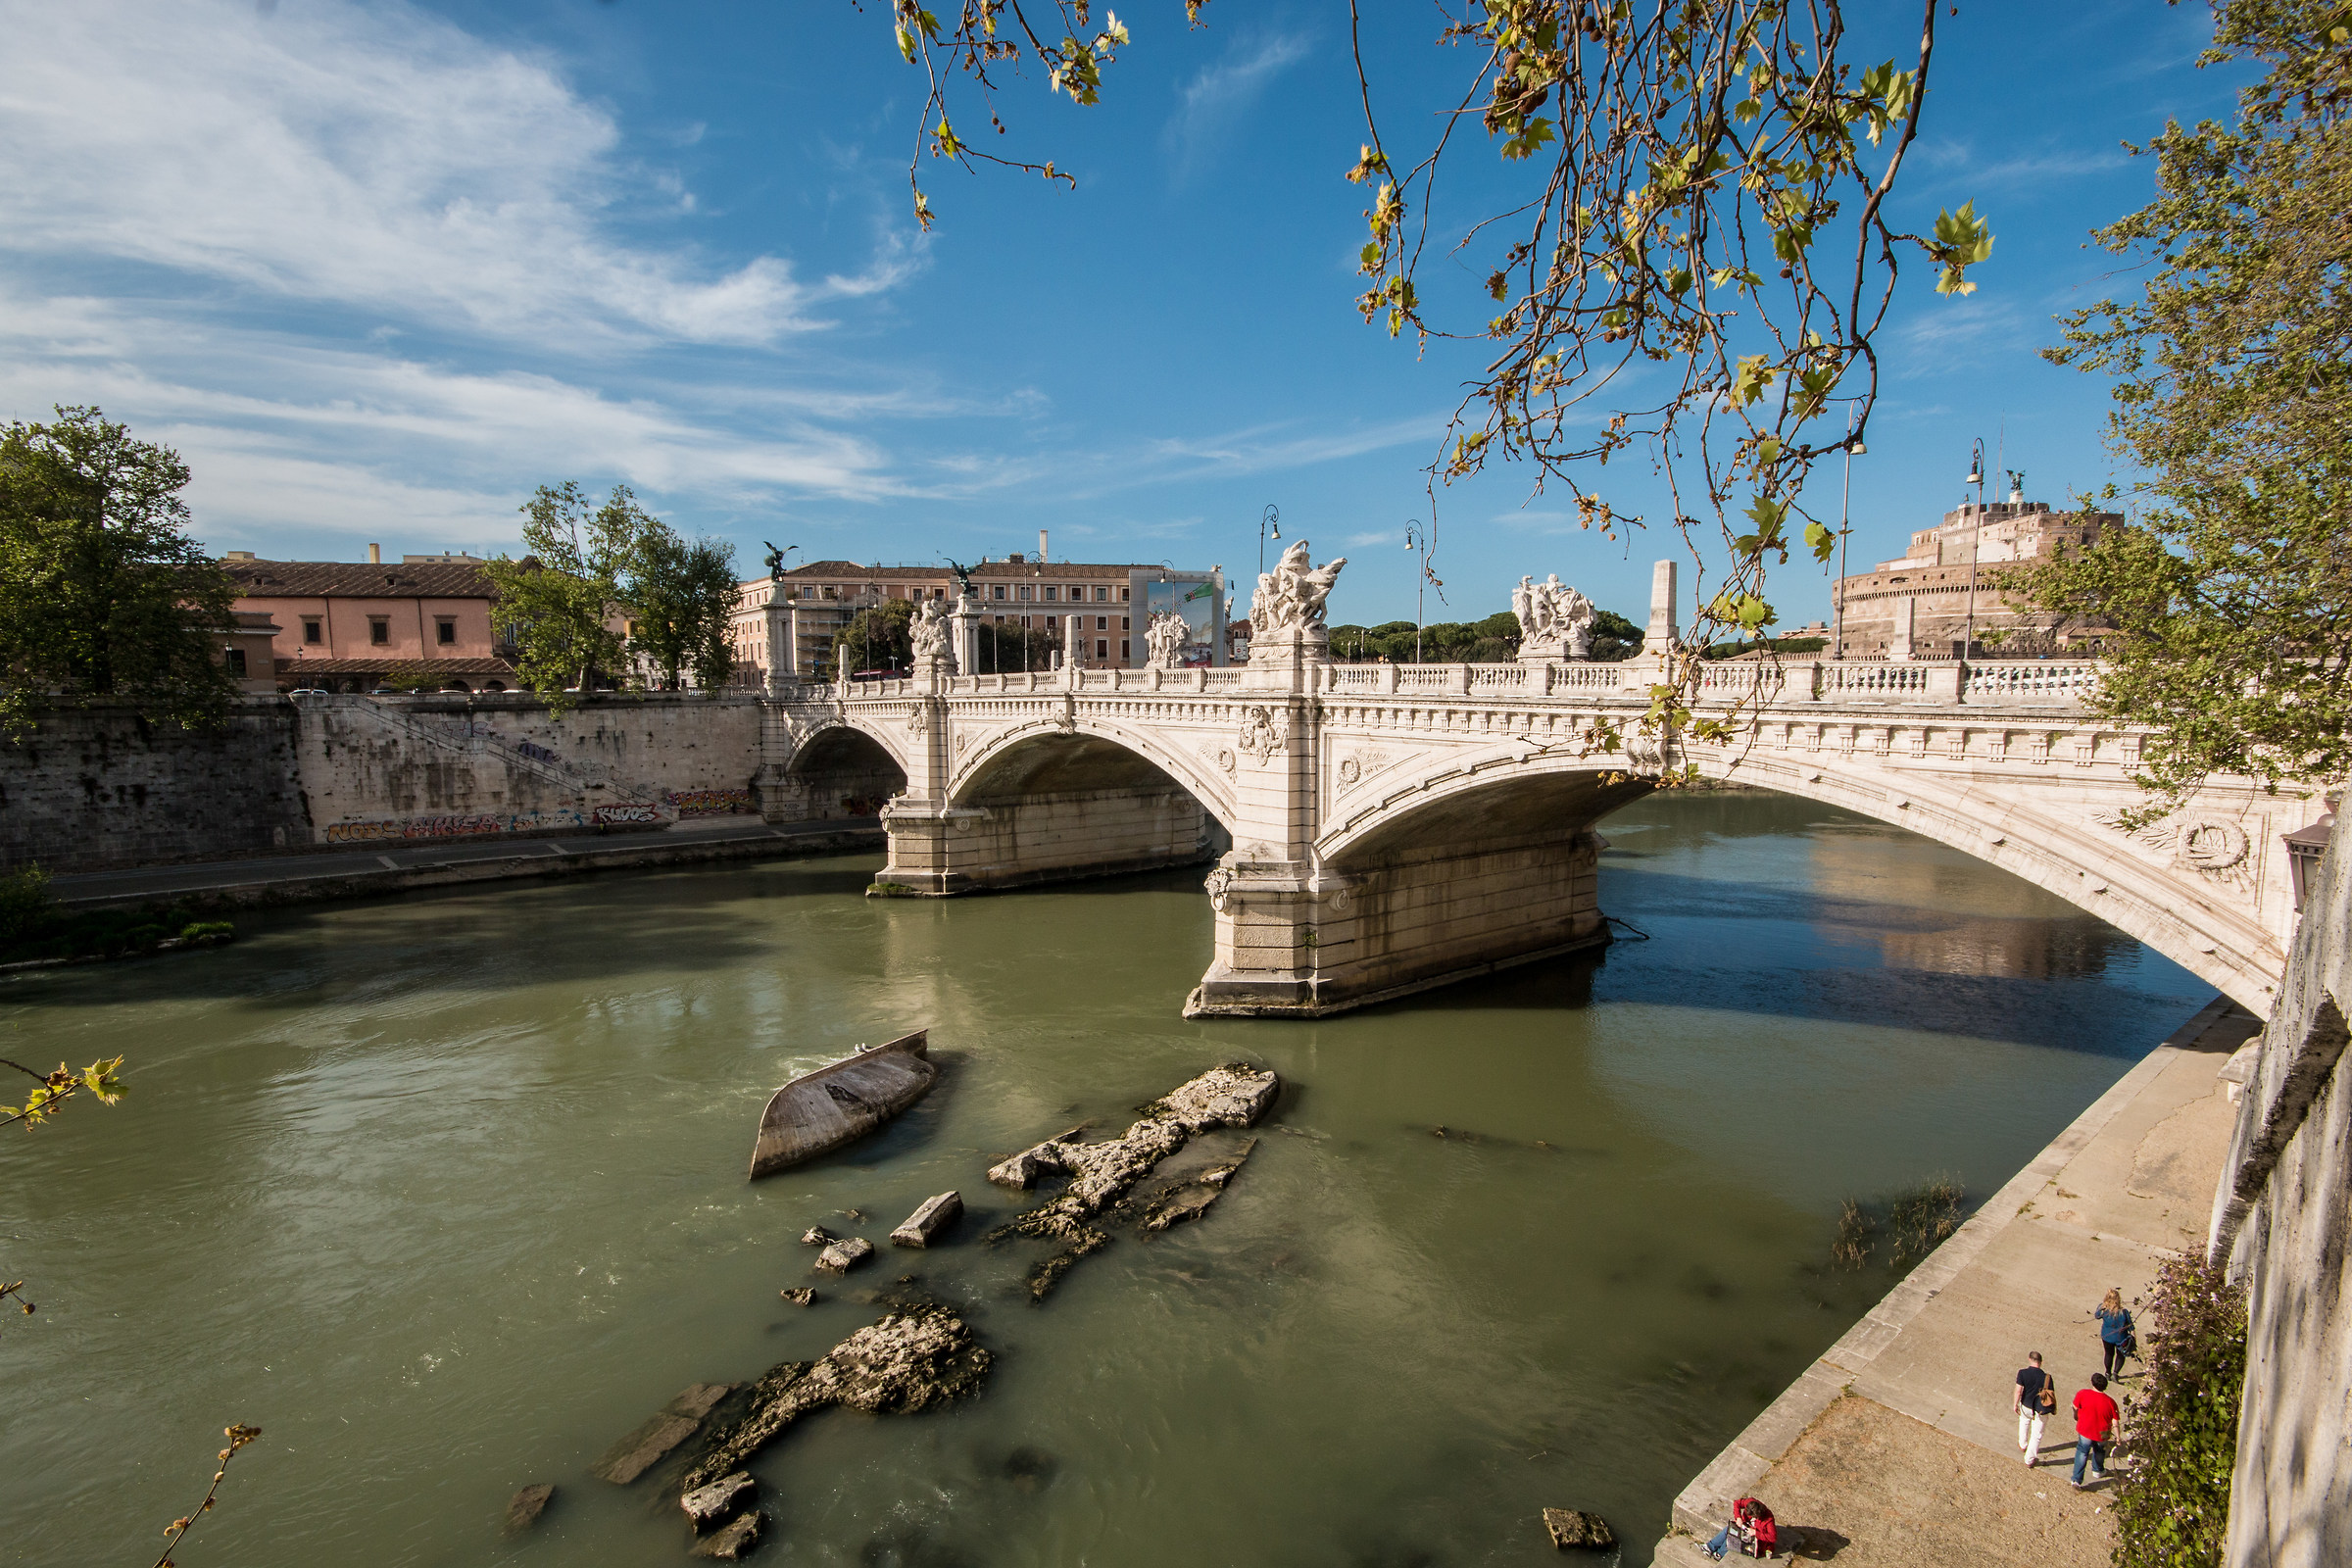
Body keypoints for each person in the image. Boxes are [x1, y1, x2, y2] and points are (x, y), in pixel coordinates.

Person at [2072, 1371, 2121, 1488]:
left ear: (2092, 1383)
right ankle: (2098, 1470)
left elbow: (2075, 1407)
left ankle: (2076, 1480)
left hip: (2085, 1429)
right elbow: (2115, 1421)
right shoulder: (2110, 1402)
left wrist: (2076, 1417)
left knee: (2082, 1452)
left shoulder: (2083, 1393)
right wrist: (2118, 1437)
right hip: (2102, 1432)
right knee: (2100, 1451)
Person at [1703, 1496, 1778, 1559]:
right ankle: (1710, 1547)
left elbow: (1773, 1537)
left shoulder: (1768, 1519)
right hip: (1745, 1527)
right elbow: (1737, 1503)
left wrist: (1755, 1533)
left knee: (1735, 1537)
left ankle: (1720, 1553)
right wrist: (1738, 1517)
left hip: (1756, 1539)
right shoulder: (1750, 1502)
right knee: (1729, 1529)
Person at [2014, 1351, 2054, 1465]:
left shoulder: (2022, 1373)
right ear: (2041, 1362)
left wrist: (2015, 1404)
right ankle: (2029, 1459)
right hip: (2040, 1409)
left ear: (2029, 1359)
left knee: (2024, 1422)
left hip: (2026, 1405)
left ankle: (2023, 1444)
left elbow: (2018, 1391)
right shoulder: (2047, 1378)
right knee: (2037, 1434)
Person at [2092, 1288, 2136, 1378]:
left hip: (2107, 1336)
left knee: (2108, 1354)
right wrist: (2134, 1340)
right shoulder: (2123, 1312)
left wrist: (2101, 1307)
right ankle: (2115, 1373)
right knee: (2120, 1355)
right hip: (2121, 1338)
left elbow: (2097, 1316)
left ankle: (2108, 1372)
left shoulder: (2104, 1309)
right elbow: (2131, 1327)